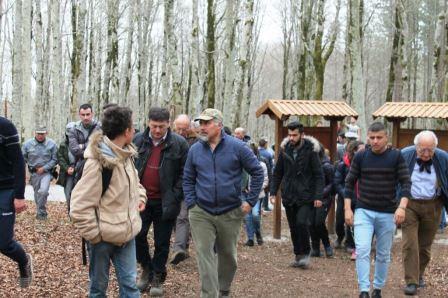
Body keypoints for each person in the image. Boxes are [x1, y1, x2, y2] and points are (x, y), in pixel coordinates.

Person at [183, 108, 263, 298]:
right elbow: (187, 178)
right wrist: (192, 203)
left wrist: (250, 201)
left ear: (218, 125)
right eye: (200, 123)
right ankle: (209, 294)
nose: (202, 127)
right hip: (201, 212)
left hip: (230, 211)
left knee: (228, 256)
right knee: (205, 256)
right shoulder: (195, 149)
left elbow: (257, 172)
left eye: (206, 123)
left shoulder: (238, 147)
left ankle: (224, 289)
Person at [70, 106, 147, 297]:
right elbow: (79, 207)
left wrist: (140, 198)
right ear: (127, 131)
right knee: (98, 290)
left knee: (130, 287)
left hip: (127, 235)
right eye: (132, 126)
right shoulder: (97, 163)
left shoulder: (126, 155)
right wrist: (96, 236)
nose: (135, 130)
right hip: (102, 240)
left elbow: (136, 184)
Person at [344, 122, 411, 298]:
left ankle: (378, 288)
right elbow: (349, 182)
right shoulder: (361, 156)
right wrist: (347, 209)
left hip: (388, 212)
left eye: (379, 137)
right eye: (372, 137)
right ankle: (364, 290)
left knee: (383, 253)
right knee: (363, 249)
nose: (375, 141)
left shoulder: (396, 156)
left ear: (386, 137)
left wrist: (402, 207)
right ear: (367, 137)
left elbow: (406, 183)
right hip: (364, 210)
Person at [133, 107, 189, 296]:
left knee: (162, 242)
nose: (157, 130)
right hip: (141, 199)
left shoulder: (179, 144)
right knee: (137, 236)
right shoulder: (138, 140)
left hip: (166, 201)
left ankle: (158, 275)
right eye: (154, 126)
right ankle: (146, 268)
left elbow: (185, 173)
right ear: (148, 122)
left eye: (161, 127)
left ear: (168, 124)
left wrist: (175, 194)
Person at [270, 121, 324, 269]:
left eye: (295, 135)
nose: (292, 138)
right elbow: (278, 172)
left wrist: (318, 196)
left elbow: (319, 175)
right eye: (290, 135)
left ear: (302, 134)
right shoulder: (284, 149)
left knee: (301, 223)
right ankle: (298, 255)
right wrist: (273, 192)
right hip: (289, 195)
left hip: (306, 195)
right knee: (293, 226)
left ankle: (306, 254)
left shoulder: (311, 151)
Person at [400, 131, 448, 295]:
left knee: (425, 246)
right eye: (422, 150)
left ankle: (419, 274)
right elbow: (396, 179)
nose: (426, 154)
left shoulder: (442, 157)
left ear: (435, 147)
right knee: (409, 244)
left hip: (433, 205)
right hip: (410, 204)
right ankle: (411, 281)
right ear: (416, 147)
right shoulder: (405, 155)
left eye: (430, 150)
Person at [0, 116, 33, 288]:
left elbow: (19, 162)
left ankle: (23, 260)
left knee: (4, 243)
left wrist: (19, 195)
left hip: (5, 190)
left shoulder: (5, 127)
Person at [171, 114, 198, 265]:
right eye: (179, 128)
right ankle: (183, 245)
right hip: (172, 186)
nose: (181, 132)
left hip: (189, 185)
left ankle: (178, 248)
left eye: (184, 128)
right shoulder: (169, 140)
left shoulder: (197, 142)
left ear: (190, 127)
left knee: (182, 216)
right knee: (175, 217)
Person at [334, 140, 364, 260]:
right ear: (354, 150)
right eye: (362, 149)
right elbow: (337, 182)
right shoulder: (342, 164)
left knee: (354, 222)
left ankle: (350, 243)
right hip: (344, 197)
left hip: (359, 198)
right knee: (340, 220)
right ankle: (340, 237)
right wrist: (345, 194)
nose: (365, 151)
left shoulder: (365, 163)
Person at [22, 126, 58, 220]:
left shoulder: (52, 144)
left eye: (42, 133)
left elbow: (55, 159)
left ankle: (41, 212)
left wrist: (44, 168)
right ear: (35, 133)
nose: (40, 135)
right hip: (34, 173)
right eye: (38, 133)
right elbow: (22, 159)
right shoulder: (27, 144)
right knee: (37, 193)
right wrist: (24, 173)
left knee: (43, 191)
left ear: (46, 133)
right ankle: (41, 213)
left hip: (46, 172)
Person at [310, 144, 334, 258]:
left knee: (318, 222)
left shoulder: (327, 166)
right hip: (310, 198)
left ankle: (327, 246)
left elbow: (332, 184)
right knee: (310, 223)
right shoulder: (309, 163)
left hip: (324, 199)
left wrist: (320, 194)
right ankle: (315, 248)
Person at [68, 103, 101, 183]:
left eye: (88, 114)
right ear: (79, 115)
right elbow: (74, 149)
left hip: (96, 162)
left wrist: (82, 146)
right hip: (78, 164)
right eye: (83, 115)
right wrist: (89, 149)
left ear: (92, 114)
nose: (85, 117)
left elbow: (98, 145)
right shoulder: (73, 129)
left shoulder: (99, 127)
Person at [244, 144, 269, 246]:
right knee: (247, 216)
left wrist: (255, 189)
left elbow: (265, 180)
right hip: (244, 193)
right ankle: (250, 238)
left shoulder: (261, 165)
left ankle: (258, 232)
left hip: (257, 194)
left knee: (255, 215)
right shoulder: (242, 164)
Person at [56, 122, 76, 213]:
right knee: (68, 194)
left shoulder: (82, 143)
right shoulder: (63, 145)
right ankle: (70, 211)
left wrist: (76, 168)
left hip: (80, 171)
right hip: (67, 173)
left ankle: (77, 213)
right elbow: (60, 158)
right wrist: (67, 168)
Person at [258, 138, 274, 212]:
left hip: (256, 174)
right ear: (265, 144)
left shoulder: (256, 152)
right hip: (266, 174)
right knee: (266, 190)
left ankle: (259, 206)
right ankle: (265, 206)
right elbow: (271, 166)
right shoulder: (268, 154)